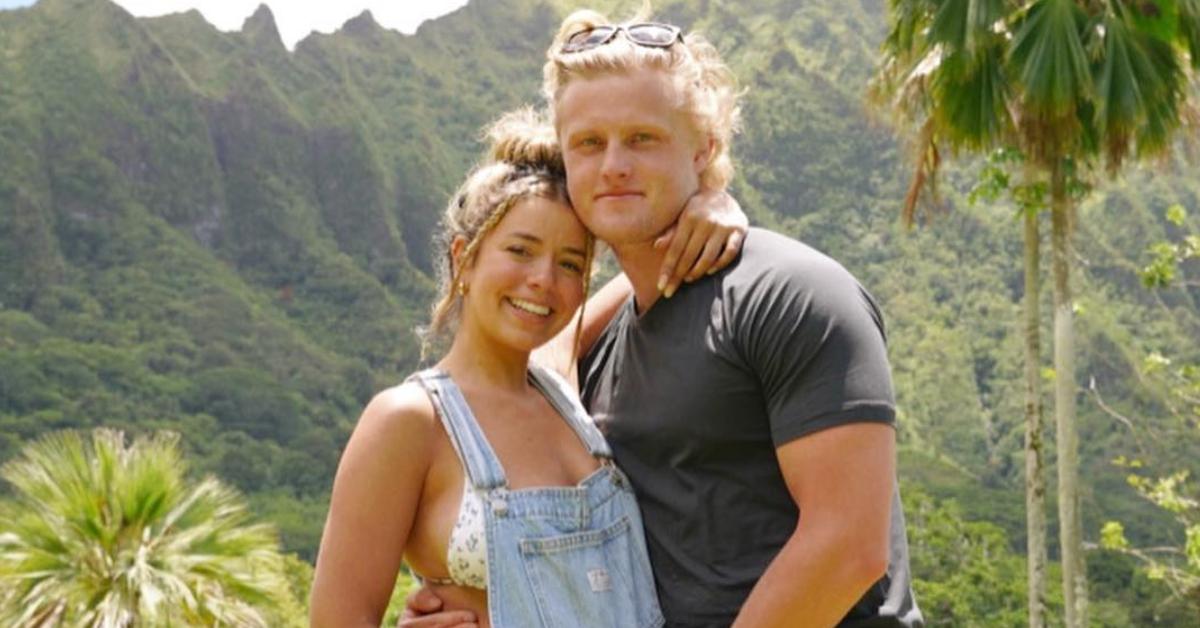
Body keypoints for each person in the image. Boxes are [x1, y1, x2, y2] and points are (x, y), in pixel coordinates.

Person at [403, 8, 923, 628]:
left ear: (703, 148)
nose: (614, 164)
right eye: (589, 144)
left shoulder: (792, 295)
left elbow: (849, 548)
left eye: (642, 138)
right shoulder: (594, 351)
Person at [309, 108, 746, 628]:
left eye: (570, 264)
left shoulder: (561, 387)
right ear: (464, 258)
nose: (543, 281)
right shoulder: (410, 420)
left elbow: (648, 274)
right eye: (520, 250)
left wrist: (713, 205)